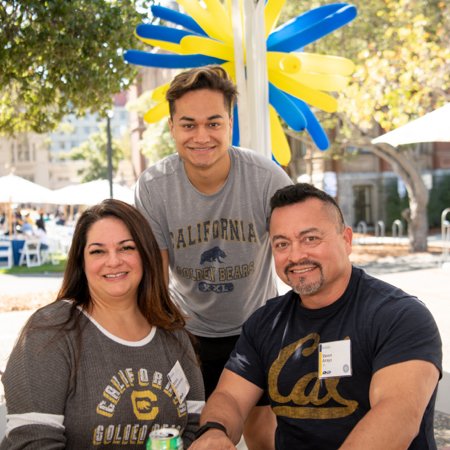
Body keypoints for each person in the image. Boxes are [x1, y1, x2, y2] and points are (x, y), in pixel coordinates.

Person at [190, 183, 442, 450]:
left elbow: (397, 417)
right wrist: (214, 431)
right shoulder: (264, 323)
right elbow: (230, 396)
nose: (296, 255)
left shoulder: (400, 317)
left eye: (310, 239)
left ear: (346, 240)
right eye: (282, 243)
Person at [134, 65, 293, 449]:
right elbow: (153, 279)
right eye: (188, 125)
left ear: (230, 123)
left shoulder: (266, 178)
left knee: (261, 432)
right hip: (189, 334)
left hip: (257, 329)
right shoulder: (154, 188)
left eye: (213, 123)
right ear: (172, 127)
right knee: (198, 435)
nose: (201, 136)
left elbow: (300, 247)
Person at [0, 199, 204, 449]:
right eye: (98, 251)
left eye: (126, 248)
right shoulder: (49, 330)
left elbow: (194, 426)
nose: (114, 261)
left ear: (146, 254)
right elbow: (33, 441)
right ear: (81, 261)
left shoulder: (173, 334)